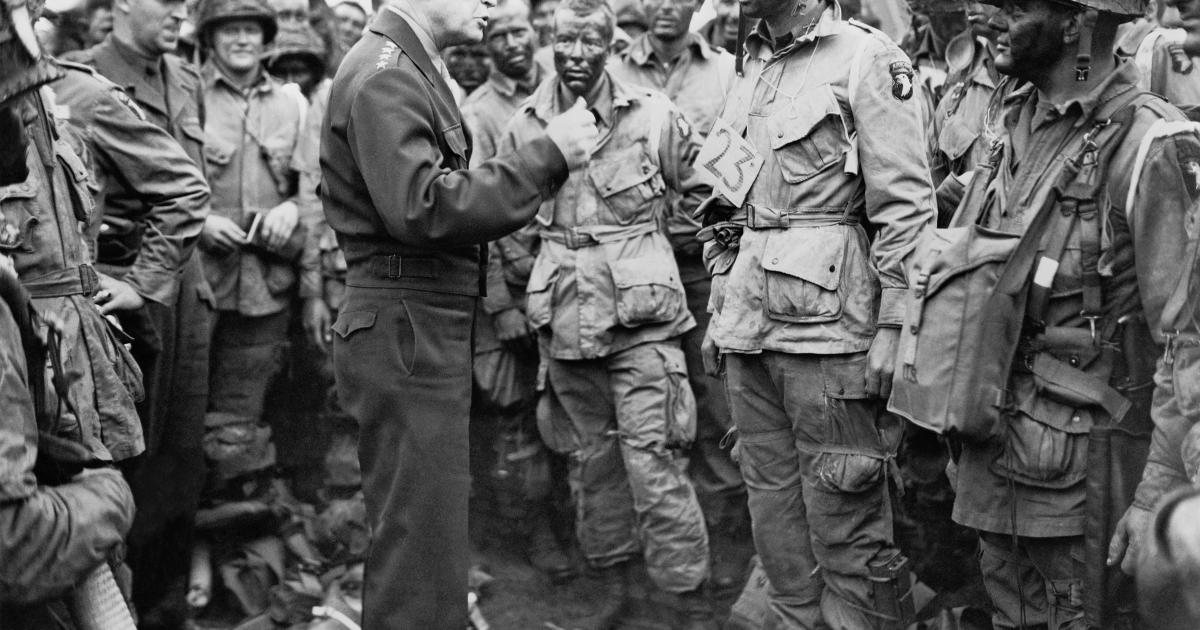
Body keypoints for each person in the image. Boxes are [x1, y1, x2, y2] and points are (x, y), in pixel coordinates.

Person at [318, 0, 599, 622]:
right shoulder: (388, 74)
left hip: (414, 321)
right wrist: (546, 155)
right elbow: (421, 206)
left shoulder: (400, 65)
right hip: (407, 323)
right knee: (418, 542)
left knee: (430, 537)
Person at [932, 0, 1200, 626]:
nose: (991, 16)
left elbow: (1188, 342)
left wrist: (1156, 493)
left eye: (1015, 6)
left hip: (1086, 487)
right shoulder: (1015, 121)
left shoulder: (1151, 144)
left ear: (1076, 24)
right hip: (996, 463)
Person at [696, 0, 935, 625]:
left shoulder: (866, 58)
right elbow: (728, 199)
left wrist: (895, 324)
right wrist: (721, 298)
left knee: (847, 526)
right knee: (774, 526)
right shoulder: (752, 60)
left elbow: (906, 208)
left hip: (830, 334)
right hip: (749, 329)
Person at [497, 0, 715, 626]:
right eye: (566, 40)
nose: (577, 54)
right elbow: (503, 216)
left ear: (613, 44)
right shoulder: (525, 125)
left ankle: (683, 597)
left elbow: (715, 185)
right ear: (549, 40)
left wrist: (670, 244)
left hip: (643, 320)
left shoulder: (652, 112)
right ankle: (615, 588)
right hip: (565, 320)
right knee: (591, 464)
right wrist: (527, 280)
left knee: (655, 458)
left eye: (591, 41)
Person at [64, 0, 216, 621]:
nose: (182, 13)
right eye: (168, 1)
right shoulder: (82, 79)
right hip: (126, 291)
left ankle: (168, 605)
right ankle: (127, 607)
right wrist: (141, 281)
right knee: (131, 460)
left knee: (182, 456)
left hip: (185, 291)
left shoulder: (186, 77)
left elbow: (190, 186)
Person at [607, 0, 747, 596]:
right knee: (652, 411)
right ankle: (654, 561)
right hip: (635, 274)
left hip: (703, 267)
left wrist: (723, 236)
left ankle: (724, 543)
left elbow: (743, 161)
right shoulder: (612, 71)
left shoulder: (726, 72)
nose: (665, 6)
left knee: (717, 404)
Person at [459, 0, 575, 584]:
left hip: (568, 277)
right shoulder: (477, 113)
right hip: (511, 283)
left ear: (536, 31)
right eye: (498, 33)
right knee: (516, 416)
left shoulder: (565, 87)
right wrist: (501, 305)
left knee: (570, 405)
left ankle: (577, 526)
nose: (511, 42)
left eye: (519, 30)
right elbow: (478, 211)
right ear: (486, 44)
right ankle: (533, 533)